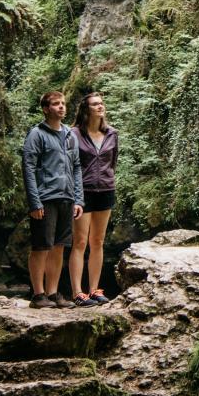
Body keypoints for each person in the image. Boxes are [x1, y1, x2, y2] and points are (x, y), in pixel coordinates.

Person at [20, 90, 82, 309]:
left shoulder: (69, 135)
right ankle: (38, 294)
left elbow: (76, 168)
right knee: (41, 247)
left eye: (63, 103)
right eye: (56, 104)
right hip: (45, 198)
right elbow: (28, 168)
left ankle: (53, 292)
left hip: (66, 197)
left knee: (59, 247)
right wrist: (34, 202)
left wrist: (78, 199)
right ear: (46, 109)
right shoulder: (37, 134)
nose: (61, 107)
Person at [71, 90, 119, 305]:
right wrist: (73, 195)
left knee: (98, 241)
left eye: (101, 103)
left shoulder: (112, 134)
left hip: (106, 191)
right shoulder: (74, 134)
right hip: (82, 192)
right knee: (80, 242)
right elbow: (69, 165)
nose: (100, 107)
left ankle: (95, 290)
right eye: (95, 104)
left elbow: (112, 162)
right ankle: (77, 292)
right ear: (86, 109)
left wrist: (108, 179)